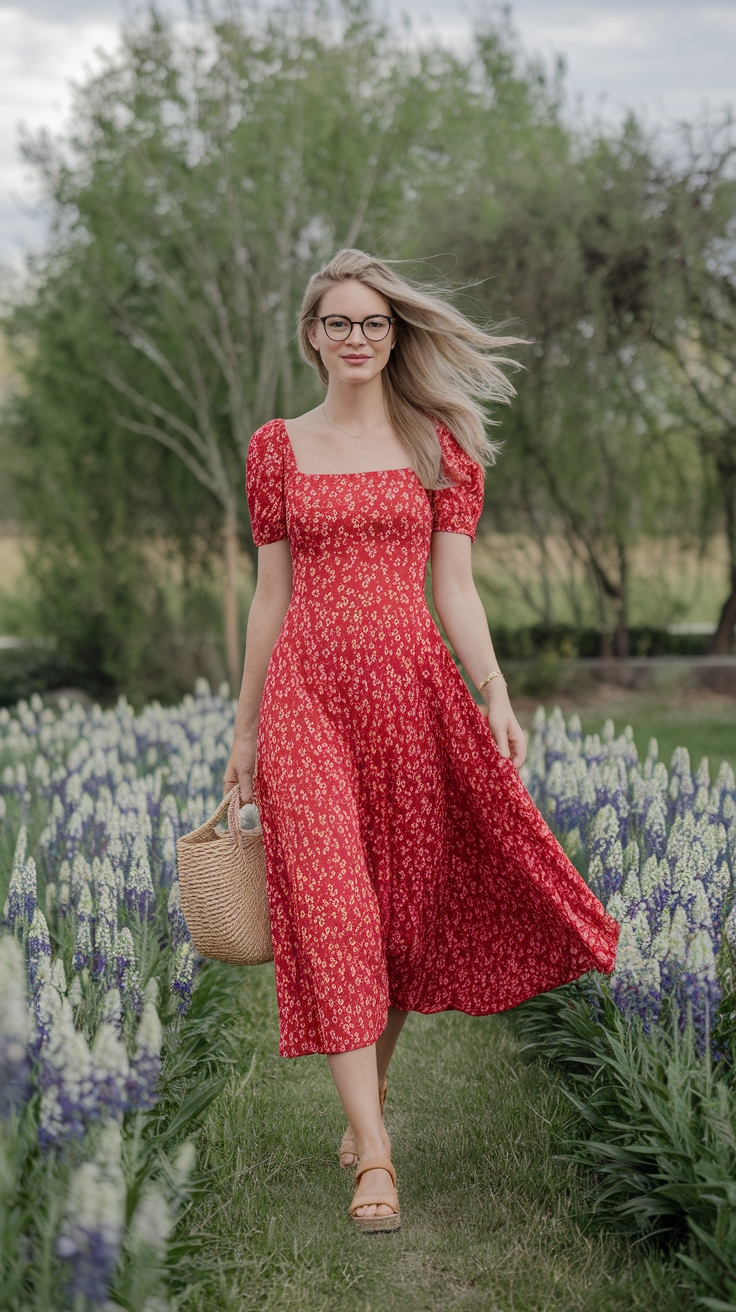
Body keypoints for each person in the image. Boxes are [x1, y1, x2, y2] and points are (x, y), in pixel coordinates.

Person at [224, 248, 619, 1233]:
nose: (356, 338)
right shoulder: (276, 445)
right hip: (305, 695)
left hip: (410, 694)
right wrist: (241, 734)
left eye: (373, 323)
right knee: (332, 908)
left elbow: (455, 585)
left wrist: (494, 691)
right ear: (311, 335)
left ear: (394, 334)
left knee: (394, 918)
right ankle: (378, 1160)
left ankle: (367, 1104)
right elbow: (268, 597)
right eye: (338, 322)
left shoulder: (440, 443)